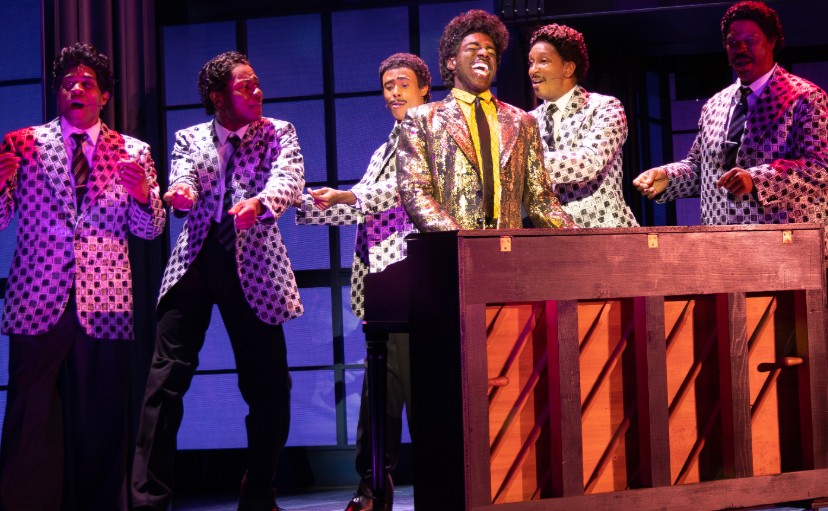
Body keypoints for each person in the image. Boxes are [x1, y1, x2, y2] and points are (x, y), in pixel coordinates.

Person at [131, 51, 304, 511]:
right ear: (217, 96)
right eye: (245, 85)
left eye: (256, 82)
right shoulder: (191, 136)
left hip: (254, 268)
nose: (257, 92)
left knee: (268, 386)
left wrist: (262, 204)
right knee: (164, 381)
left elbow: (288, 179)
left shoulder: (277, 132)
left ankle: (260, 491)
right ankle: (148, 499)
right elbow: (183, 178)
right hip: (195, 264)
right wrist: (181, 194)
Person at [0, 42, 165, 511]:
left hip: (105, 299)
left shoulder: (133, 151)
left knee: (101, 419)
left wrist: (140, 195)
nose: (76, 88)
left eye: (86, 83)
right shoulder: (22, 143)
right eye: (67, 83)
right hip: (36, 297)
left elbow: (150, 228)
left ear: (104, 95)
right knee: (30, 419)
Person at [295, 53, 429, 511]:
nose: (394, 92)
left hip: (414, 278)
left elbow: (399, 192)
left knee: (419, 390)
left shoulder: (432, 132)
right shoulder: (385, 145)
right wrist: (302, 205)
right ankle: (372, 486)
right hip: (381, 286)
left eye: (403, 84)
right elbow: (362, 204)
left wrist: (348, 194)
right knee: (379, 392)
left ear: (424, 89)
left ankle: (435, 486)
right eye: (388, 85)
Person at [633, 1, 828, 251]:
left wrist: (756, 179)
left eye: (751, 40)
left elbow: (820, 168)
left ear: (771, 42)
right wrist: (667, 178)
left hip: (784, 246)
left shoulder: (805, 97)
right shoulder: (715, 104)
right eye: (733, 42)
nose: (741, 49)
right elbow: (701, 168)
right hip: (722, 244)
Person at [397, 9, 574, 231]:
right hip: (451, 255)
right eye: (473, 48)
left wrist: (579, 241)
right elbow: (414, 190)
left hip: (508, 252)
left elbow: (540, 199)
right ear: (452, 61)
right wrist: (460, 241)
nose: (484, 54)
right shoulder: (422, 119)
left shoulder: (522, 121)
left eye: (491, 51)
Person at [528, 23, 638, 227]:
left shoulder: (605, 108)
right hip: (551, 241)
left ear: (568, 68)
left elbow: (588, 162)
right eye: (531, 62)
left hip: (606, 237)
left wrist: (525, 163)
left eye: (543, 61)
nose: (533, 70)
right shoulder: (527, 121)